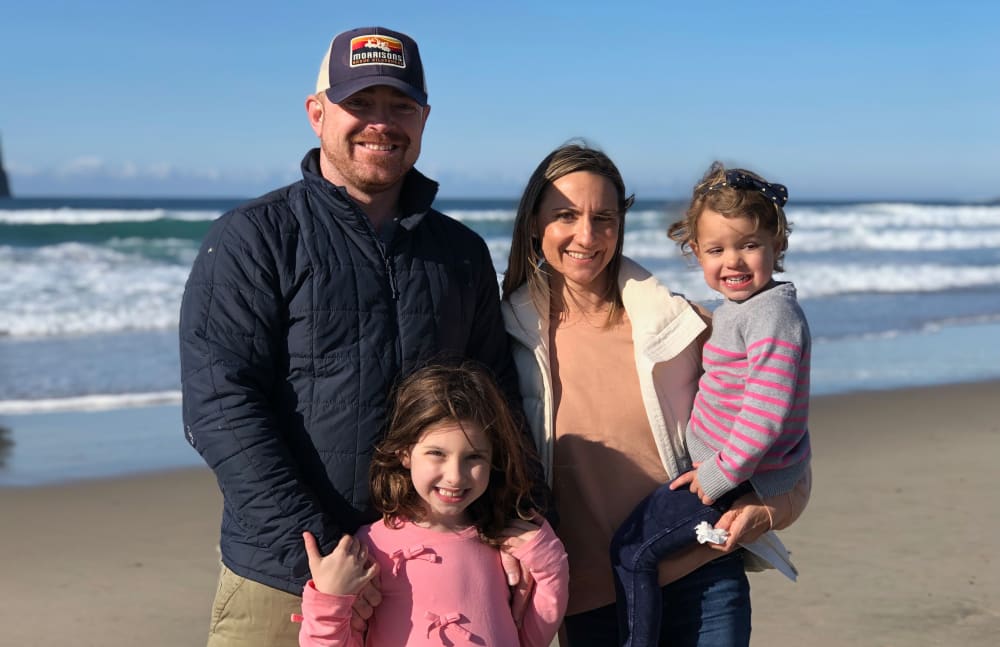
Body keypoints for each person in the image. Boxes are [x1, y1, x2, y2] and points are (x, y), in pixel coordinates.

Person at [179, 26, 542, 647]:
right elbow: (221, 406)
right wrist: (318, 556)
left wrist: (518, 521)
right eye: (360, 103)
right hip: (288, 576)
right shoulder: (253, 238)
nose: (381, 122)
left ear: (424, 118)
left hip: (439, 568)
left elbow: (496, 404)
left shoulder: (459, 253)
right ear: (317, 113)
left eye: (400, 105)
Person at [501, 143, 811, 646]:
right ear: (535, 225)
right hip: (589, 601)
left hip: (702, 575)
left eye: (603, 217)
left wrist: (768, 514)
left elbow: (785, 444)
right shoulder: (506, 337)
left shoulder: (683, 325)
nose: (587, 235)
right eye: (565, 216)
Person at [610, 162, 812, 646]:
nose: (734, 262)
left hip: (730, 479)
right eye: (717, 250)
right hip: (729, 471)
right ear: (695, 251)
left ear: (776, 246)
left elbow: (767, 414)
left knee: (631, 550)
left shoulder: (773, 316)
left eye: (749, 245)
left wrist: (720, 474)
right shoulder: (738, 311)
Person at [294, 361, 569, 646]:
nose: (455, 476)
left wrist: (550, 563)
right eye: (437, 453)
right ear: (404, 452)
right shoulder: (369, 549)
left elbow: (531, 638)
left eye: (474, 457)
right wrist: (330, 599)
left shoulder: (503, 544)